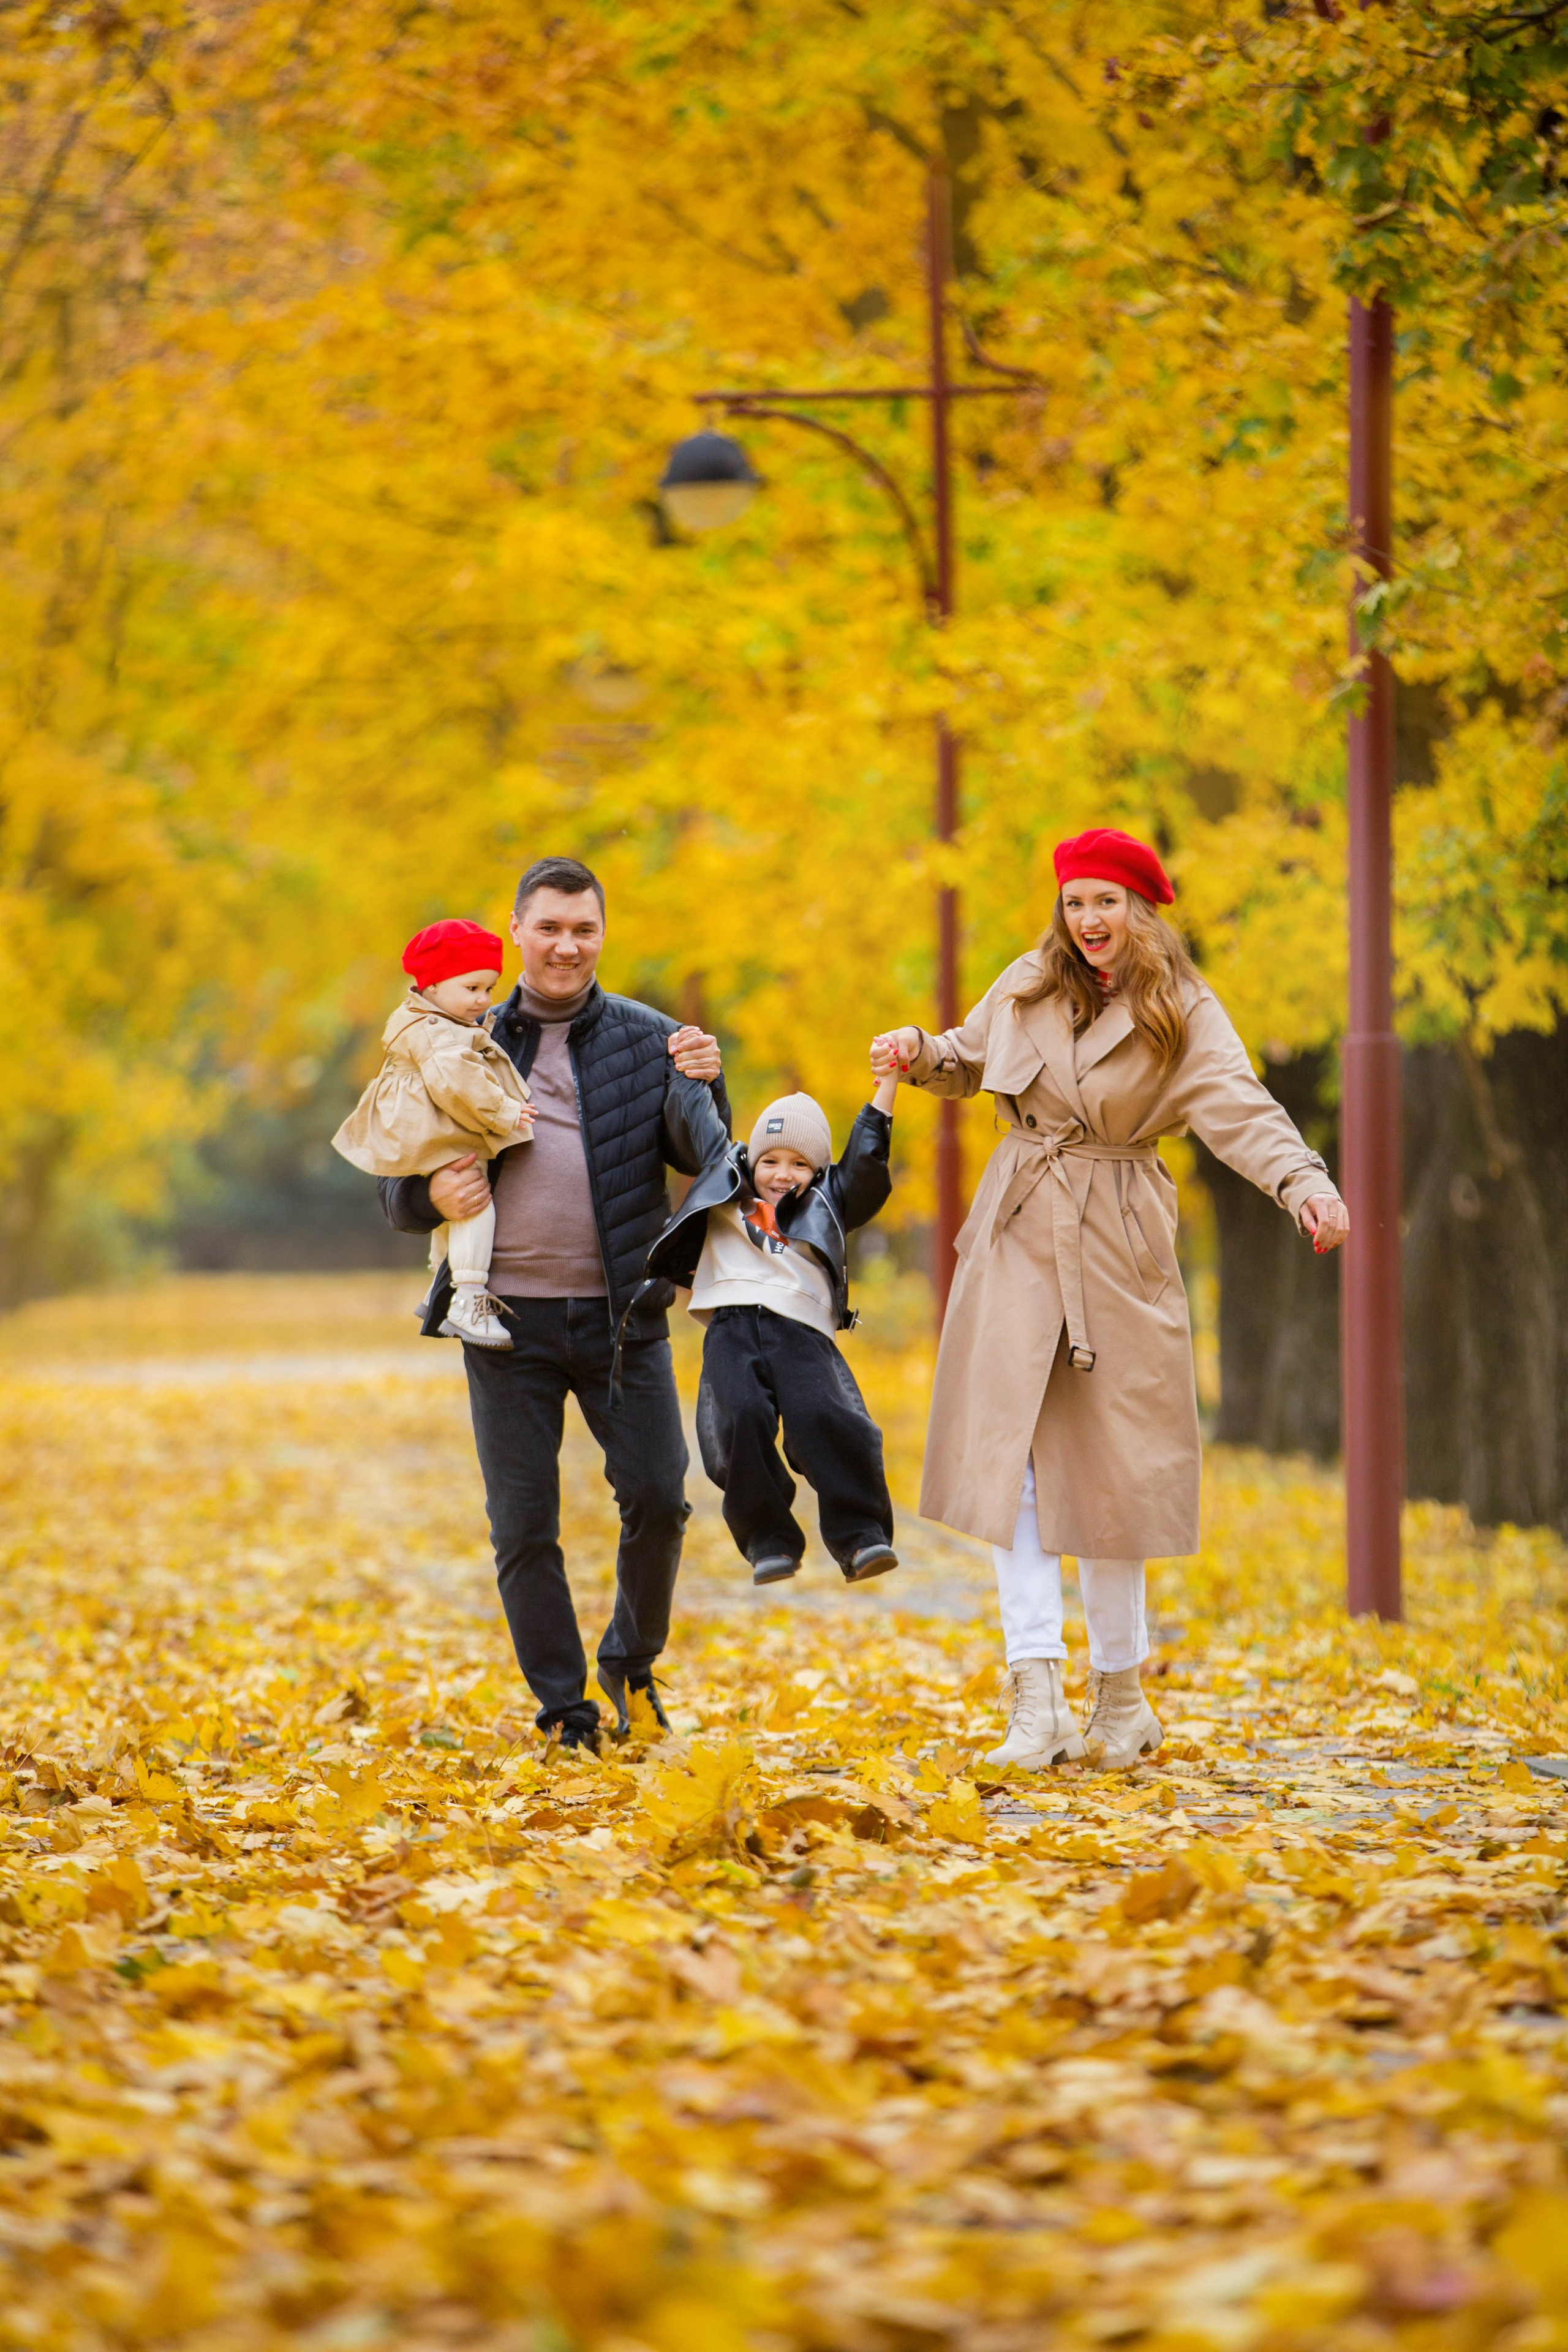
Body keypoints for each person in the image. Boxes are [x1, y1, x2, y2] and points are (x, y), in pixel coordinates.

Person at [871, 827, 1348, 1771]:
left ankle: (1122, 1702)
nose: (1089, 919)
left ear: (1142, 911)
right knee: (1013, 1462)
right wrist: (922, 1051)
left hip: (1119, 1235)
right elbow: (969, 1059)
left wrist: (1305, 1183)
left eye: (1108, 902)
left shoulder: (1183, 1006)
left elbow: (1237, 1103)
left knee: (1112, 1474)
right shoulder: (1026, 982)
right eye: (1077, 901)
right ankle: (1036, 1694)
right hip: (1016, 1230)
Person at [375, 856, 729, 1751]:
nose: (567, 946)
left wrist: (708, 1078)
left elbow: (709, 1155)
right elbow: (395, 1180)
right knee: (523, 1526)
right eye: (549, 928)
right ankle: (566, 1711)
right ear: (519, 931)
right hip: (504, 1325)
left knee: (660, 1498)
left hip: (621, 1320)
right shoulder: (462, 1033)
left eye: (584, 929)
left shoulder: (652, 1040)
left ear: (602, 936)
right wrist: (429, 1201)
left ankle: (630, 1666)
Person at [636, 1078, 899, 1586]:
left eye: (800, 1165)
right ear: (751, 1161)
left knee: (826, 1416)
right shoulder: (724, 1184)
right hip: (732, 1325)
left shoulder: (830, 1200)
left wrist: (886, 1086)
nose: (783, 1175)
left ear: (818, 1171)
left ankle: (862, 1535)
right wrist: (698, 1071)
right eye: (771, 1161)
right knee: (739, 1419)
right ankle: (769, 1539)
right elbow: (701, 1123)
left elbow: (866, 1161)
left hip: (801, 1329)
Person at [333, 920, 535, 1349]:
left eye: (489, 989)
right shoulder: (439, 1033)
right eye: (472, 988)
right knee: (475, 1200)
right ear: (433, 986)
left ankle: (440, 1290)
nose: (482, 1000)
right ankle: (470, 1296)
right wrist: (506, 1112)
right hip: (438, 1124)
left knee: (453, 1211)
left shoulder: (424, 1017)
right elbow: (457, 1082)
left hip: (418, 1121)